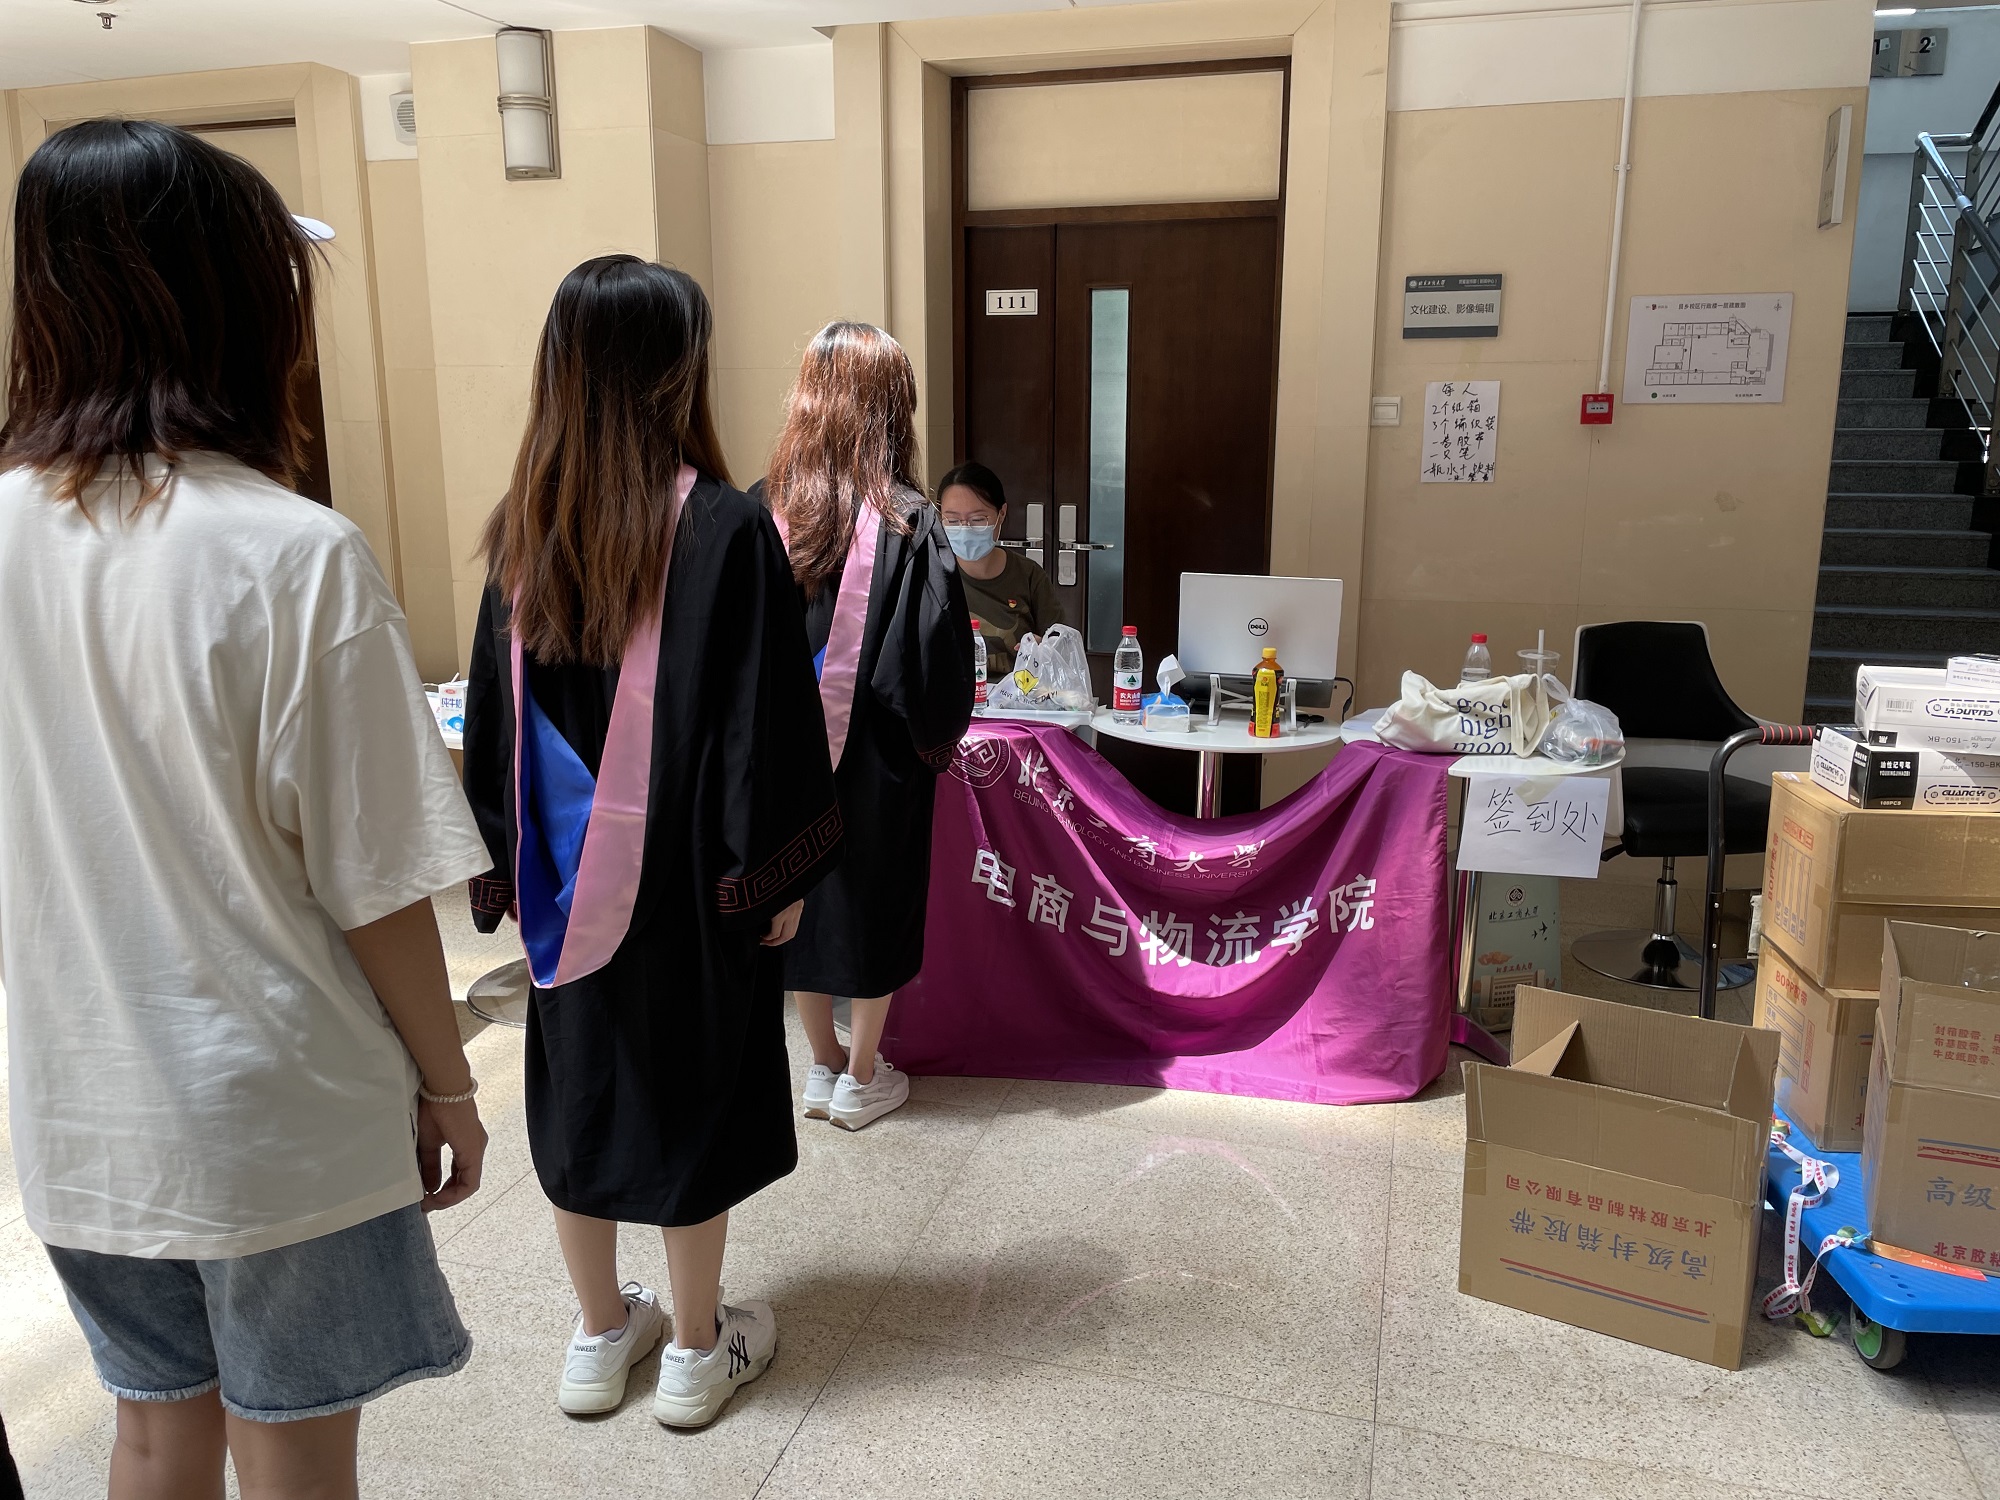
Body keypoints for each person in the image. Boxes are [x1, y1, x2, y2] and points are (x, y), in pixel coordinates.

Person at [0, 119, 490, 1499]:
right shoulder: (292, 554)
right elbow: (375, 879)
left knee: (153, 1429)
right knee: (293, 1453)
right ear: (229, 306)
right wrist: (448, 1083)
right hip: (275, 1115)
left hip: (78, 1109)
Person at [462, 257, 841, 1430]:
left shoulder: (523, 531)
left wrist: (505, 865)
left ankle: (595, 1336)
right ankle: (689, 1350)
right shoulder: (724, 527)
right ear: (677, 371)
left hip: (564, 891)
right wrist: (772, 874)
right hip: (691, 887)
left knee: (579, 1087)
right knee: (689, 1089)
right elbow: (763, 721)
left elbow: (494, 727)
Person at [759, 323, 977, 1131]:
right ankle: (860, 1077)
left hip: (778, 761)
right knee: (871, 904)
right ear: (892, 408)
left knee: (799, 893)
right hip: (876, 764)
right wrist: (932, 744)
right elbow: (935, 659)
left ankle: (820, 1065)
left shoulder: (761, 509)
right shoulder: (908, 521)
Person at [937, 459, 1064, 679]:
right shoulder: (931, 576)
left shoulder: (1028, 576)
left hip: (1018, 693)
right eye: (953, 520)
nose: (965, 529)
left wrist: (1044, 650)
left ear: (1001, 513)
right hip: (953, 695)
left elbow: (1061, 648)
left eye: (978, 519)